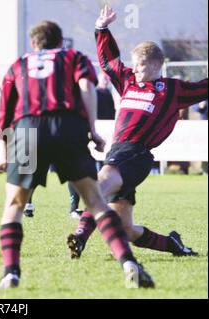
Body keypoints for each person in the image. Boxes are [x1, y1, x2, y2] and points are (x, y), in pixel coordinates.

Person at [0, 20, 154, 290]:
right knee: (95, 201)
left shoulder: (18, 65)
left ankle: (10, 272)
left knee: (14, 205)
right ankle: (128, 263)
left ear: (33, 44)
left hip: (28, 130)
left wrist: (4, 154)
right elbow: (87, 89)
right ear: (61, 42)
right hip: (67, 126)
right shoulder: (74, 57)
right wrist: (92, 131)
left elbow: (3, 116)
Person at [67, 5, 207, 261]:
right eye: (135, 65)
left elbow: (203, 87)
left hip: (136, 153)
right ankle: (173, 244)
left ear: (156, 65)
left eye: (141, 65)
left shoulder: (171, 89)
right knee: (125, 229)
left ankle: (80, 235)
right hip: (119, 151)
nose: (136, 69)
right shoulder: (129, 80)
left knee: (97, 186)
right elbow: (109, 63)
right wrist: (101, 29)